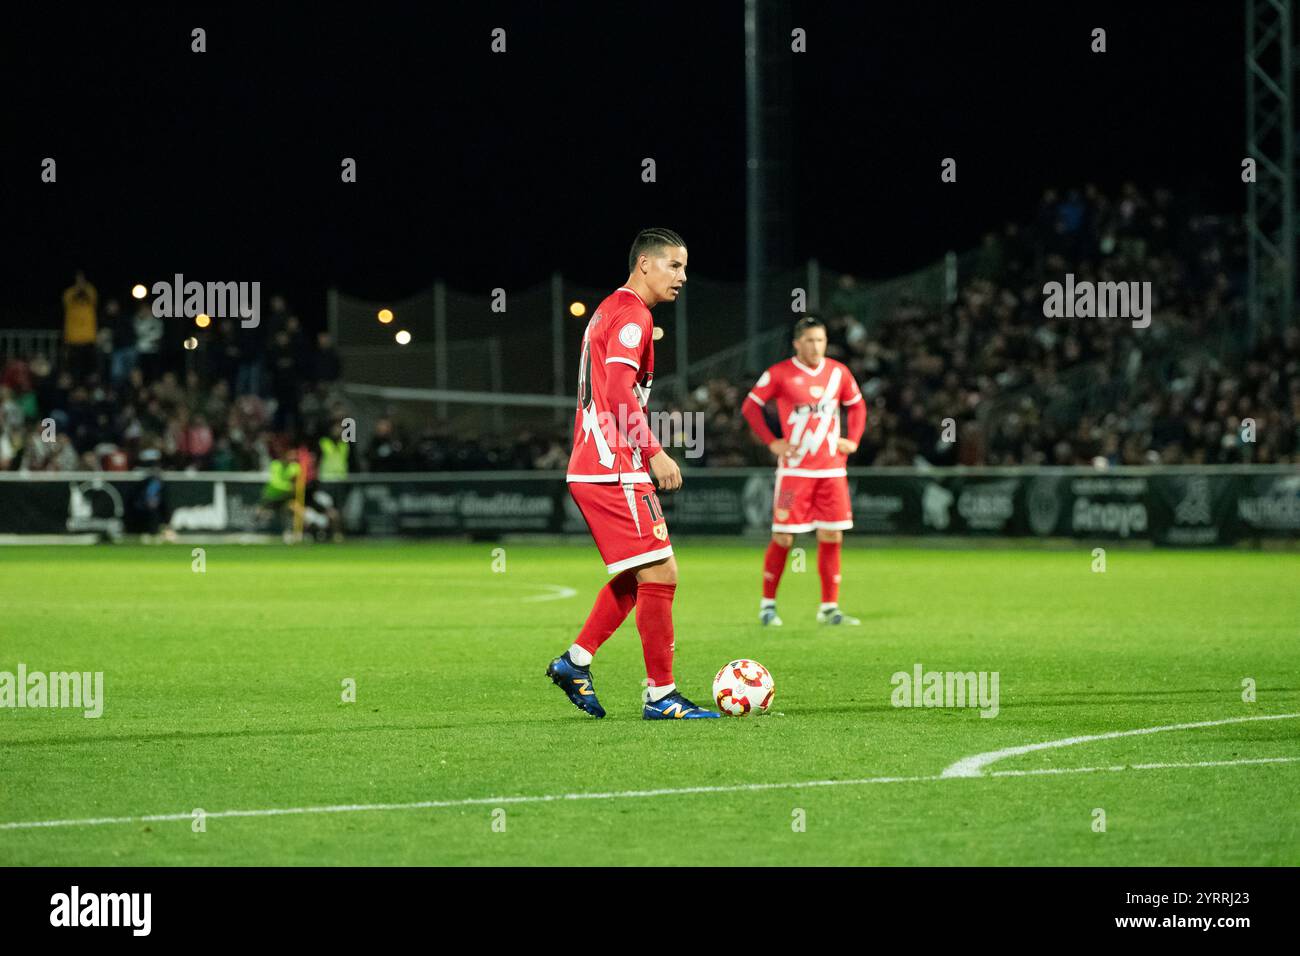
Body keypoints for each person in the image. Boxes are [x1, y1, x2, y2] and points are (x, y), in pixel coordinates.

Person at [546, 227, 718, 719]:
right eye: (675, 265)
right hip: (613, 464)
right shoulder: (632, 315)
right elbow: (619, 392)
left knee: (635, 575)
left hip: (597, 463)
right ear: (645, 263)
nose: (683, 276)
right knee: (662, 571)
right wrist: (654, 452)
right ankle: (661, 696)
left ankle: (574, 663)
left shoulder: (608, 308)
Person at [742, 316, 867, 626]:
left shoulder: (839, 372)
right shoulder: (780, 373)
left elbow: (858, 406)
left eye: (821, 340)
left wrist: (853, 439)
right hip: (795, 473)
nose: (816, 346)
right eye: (810, 340)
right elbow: (750, 406)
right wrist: (772, 442)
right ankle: (767, 606)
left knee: (832, 534)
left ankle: (829, 608)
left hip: (832, 471)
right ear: (797, 343)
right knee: (783, 538)